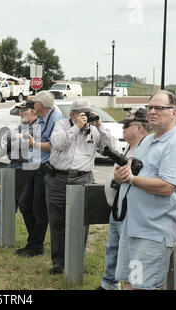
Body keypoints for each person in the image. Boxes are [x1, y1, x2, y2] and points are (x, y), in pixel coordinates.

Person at [114, 90, 176, 290]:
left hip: (153, 232)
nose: (153, 112)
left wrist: (131, 179)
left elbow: (167, 186)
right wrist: (120, 175)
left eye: (159, 108)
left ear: (173, 113)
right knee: (133, 283)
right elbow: (130, 170)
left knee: (145, 286)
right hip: (133, 227)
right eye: (150, 107)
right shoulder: (147, 141)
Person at [45, 99, 114, 274]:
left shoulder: (94, 130)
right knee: (58, 221)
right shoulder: (61, 124)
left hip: (82, 178)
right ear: (73, 114)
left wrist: (99, 125)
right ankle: (59, 264)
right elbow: (58, 144)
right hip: (58, 178)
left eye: (87, 112)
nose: (85, 116)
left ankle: (76, 262)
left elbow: (108, 148)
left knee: (80, 223)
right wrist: (76, 128)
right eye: (81, 113)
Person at [98, 108, 151, 290]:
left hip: (130, 211)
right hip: (118, 207)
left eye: (126, 125)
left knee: (127, 251)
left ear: (139, 127)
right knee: (112, 247)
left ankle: (126, 284)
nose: (123, 129)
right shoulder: (129, 146)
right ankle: (110, 283)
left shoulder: (146, 148)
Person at [0, 100, 38, 247]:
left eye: (23, 110)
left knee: (26, 206)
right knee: (3, 202)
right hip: (14, 166)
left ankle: (34, 242)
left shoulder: (37, 127)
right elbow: (7, 143)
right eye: (20, 110)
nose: (20, 113)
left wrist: (17, 139)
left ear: (33, 111)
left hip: (26, 168)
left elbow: (22, 145)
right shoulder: (22, 126)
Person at [15, 90, 64, 257]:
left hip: (45, 168)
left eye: (34, 102)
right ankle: (34, 241)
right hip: (35, 165)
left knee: (39, 209)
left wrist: (33, 143)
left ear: (40, 105)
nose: (32, 105)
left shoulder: (56, 119)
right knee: (24, 204)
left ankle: (35, 246)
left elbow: (53, 145)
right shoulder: (44, 118)